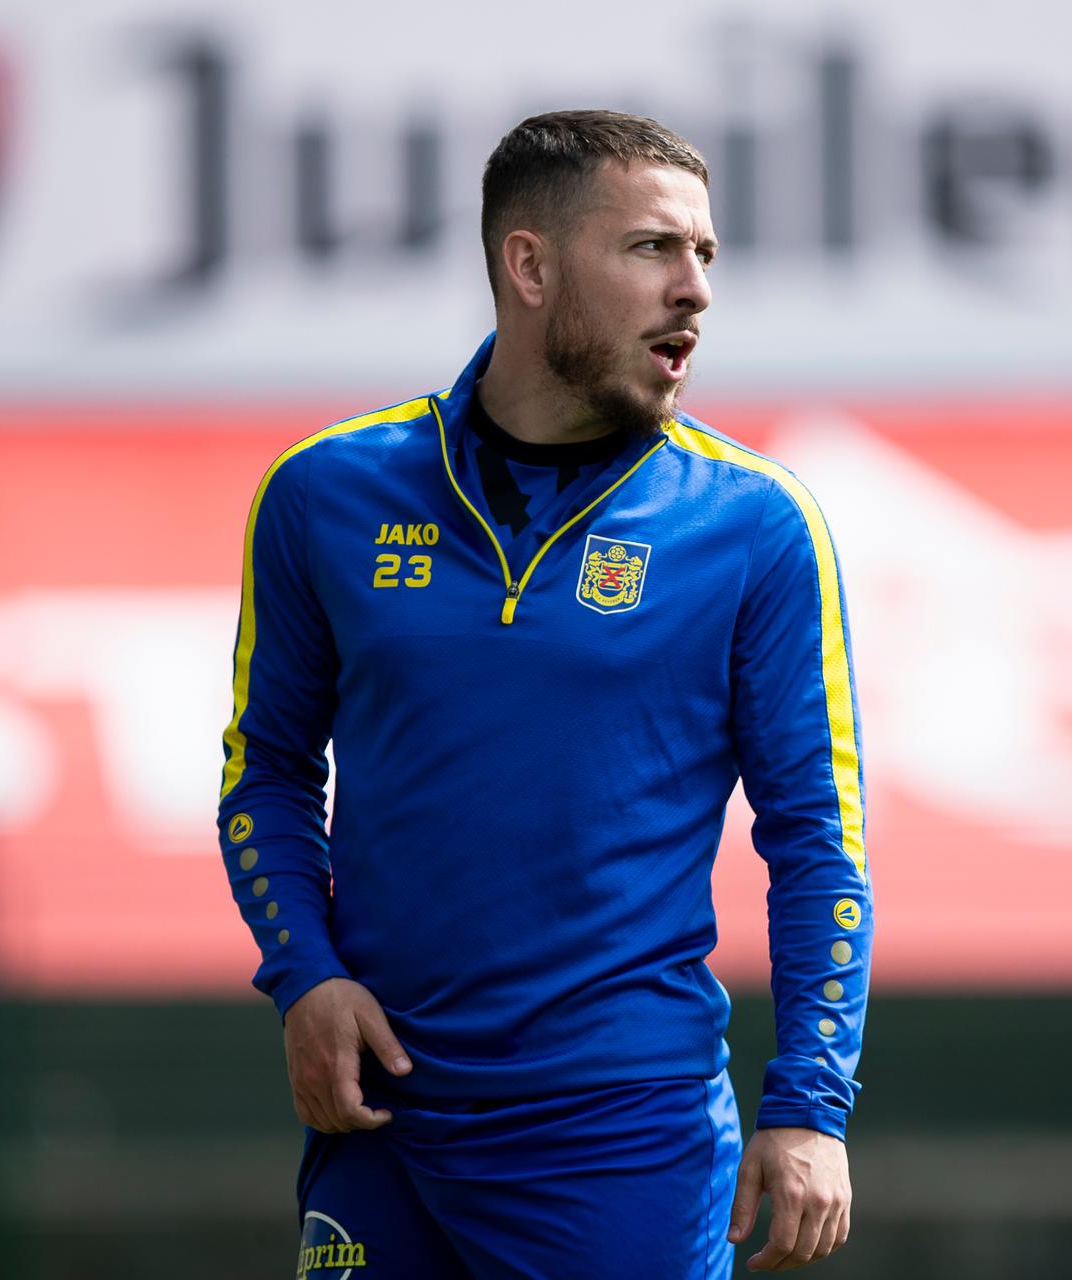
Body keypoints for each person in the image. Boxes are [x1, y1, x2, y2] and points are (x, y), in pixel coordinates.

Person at [214, 109, 871, 1278]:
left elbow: (818, 839)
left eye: (706, 256)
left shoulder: (757, 524)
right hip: (382, 1123)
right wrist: (305, 976)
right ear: (529, 264)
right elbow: (265, 774)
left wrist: (810, 1102)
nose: (696, 291)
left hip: (625, 1139)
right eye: (653, 250)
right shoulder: (322, 492)